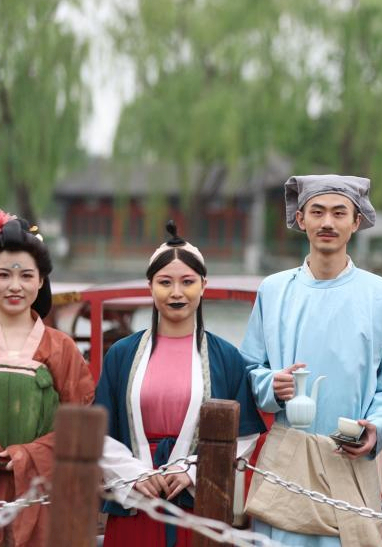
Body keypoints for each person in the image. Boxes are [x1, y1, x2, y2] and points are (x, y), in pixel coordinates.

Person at [241, 174, 382, 546]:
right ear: (301, 219)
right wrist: (273, 385)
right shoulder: (273, 290)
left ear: (356, 221)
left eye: (338, 212)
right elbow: (248, 370)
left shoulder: (381, 296)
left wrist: (376, 428)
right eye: (317, 212)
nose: (327, 223)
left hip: (349, 455)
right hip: (289, 456)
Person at [95, 222, 266, 547]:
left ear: (203, 285)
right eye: (165, 282)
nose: (176, 292)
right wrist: (135, 473)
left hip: (196, 502)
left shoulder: (227, 357)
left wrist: (191, 471)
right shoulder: (122, 354)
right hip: (136, 496)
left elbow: (244, 433)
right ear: (150, 286)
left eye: (187, 282)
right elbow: (100, 431)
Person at [0, 210, 95, 546]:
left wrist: (31, 455)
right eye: (3, 275)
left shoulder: (62, 348)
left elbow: (82, 427)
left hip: (39, 496)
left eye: (27, 275)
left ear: (41, 281)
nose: (15, 286)